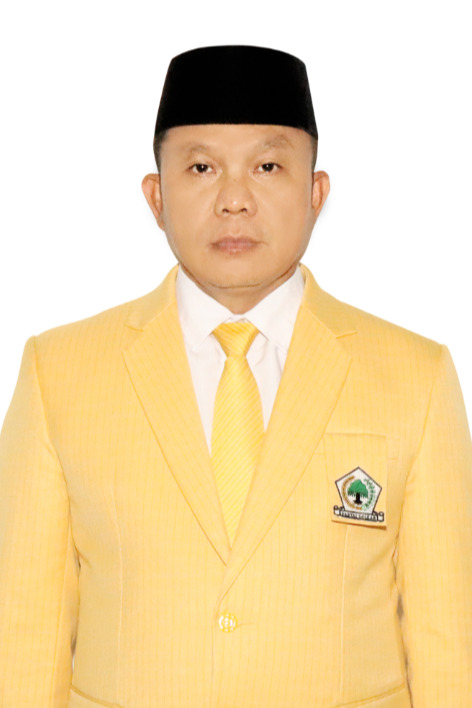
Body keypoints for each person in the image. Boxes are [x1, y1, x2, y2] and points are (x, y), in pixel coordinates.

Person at [0, 44, 471, 708]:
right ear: (156, 196)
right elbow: (23, 634)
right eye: (201, 167)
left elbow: (452, 643)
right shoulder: (59, 371)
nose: (234, 200)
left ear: (315, 193)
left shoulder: (416, 377)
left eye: (268, 166)